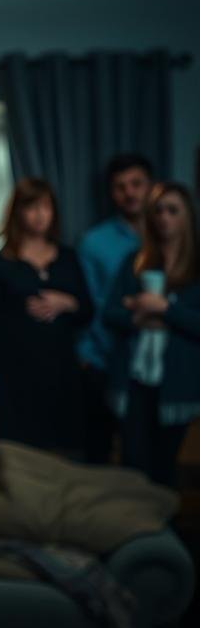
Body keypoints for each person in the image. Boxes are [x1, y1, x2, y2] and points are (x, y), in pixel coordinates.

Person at [0, 177, 93, 453]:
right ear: (18, 212)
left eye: (45, 207)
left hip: (61, 372)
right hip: (14, 374)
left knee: (64, 449)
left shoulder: (67, 257)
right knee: (18, 451)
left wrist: (66, 303)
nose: (39, 215)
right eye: (31, 207)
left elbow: (88, 310)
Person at [104, 183, 200, 486]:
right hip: (134, 378)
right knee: (132, 463)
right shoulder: (135, 262)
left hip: (177, 380)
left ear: (187, 217)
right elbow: (109, 314)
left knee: (165, 467)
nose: (164, 217)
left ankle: (163, 531)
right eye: (158, 210)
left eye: (173, 210)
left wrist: (166, 311)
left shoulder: (197, 267)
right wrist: (140, 316)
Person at [77, 154, 154, 463]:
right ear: (111, 193)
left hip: (153, 363)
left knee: (147, 454)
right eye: (121, 187)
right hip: (102, 361)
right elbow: (90, 304)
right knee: (98, 452)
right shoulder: (94, 242)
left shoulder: (169, 236)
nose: (130, 193)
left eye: (136, 184)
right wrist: (90, 357)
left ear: (151, 186)